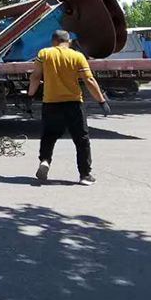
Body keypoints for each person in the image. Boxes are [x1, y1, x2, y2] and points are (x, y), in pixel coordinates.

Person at [27, 29, 111, 185]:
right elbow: (89, 80)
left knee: (49, 135)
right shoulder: (77, 56)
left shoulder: (44, 54)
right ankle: (85, 175)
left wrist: (30, 95)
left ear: (53, 41)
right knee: (81, 139)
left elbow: (35, 76)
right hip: (73, 103)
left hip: (50, 103)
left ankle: (45, 160)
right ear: (69, 42)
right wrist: (101, 101)